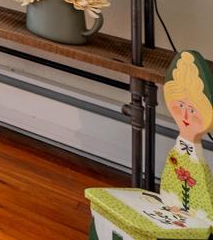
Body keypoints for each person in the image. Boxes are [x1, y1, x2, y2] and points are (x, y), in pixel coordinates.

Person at [86, 50, 213, 239]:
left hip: (196, 213)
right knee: (103, 208)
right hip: (172, 201)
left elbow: (200, 208)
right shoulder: (180, 149)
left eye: (193, 109)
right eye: (181, 106)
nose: (185, 117)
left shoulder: (190, 152)